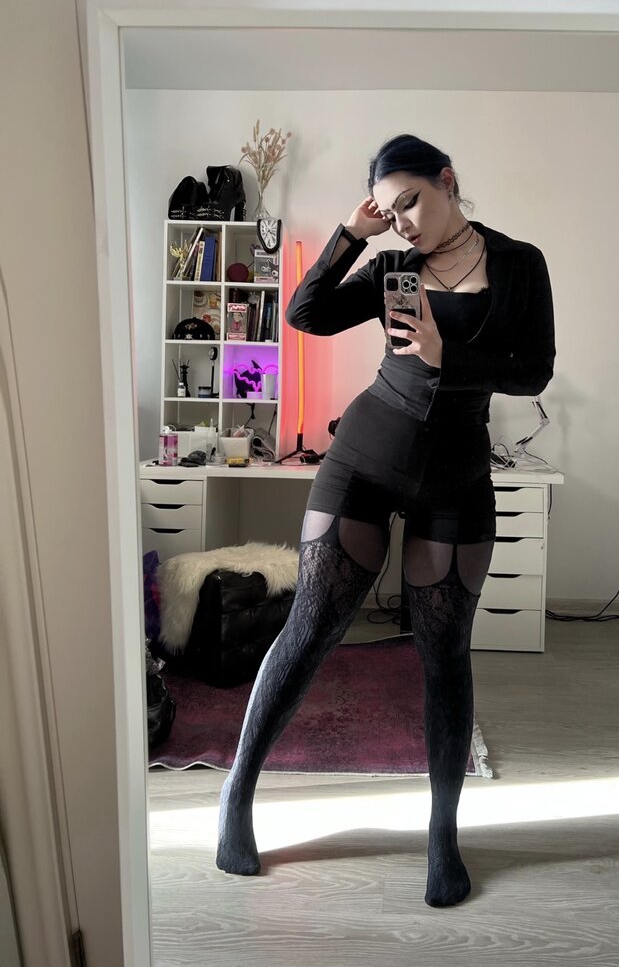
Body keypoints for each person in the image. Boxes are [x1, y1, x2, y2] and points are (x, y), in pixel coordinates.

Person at [216, 134, 556, 908]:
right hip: (365, 459)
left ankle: (442, 835)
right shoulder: (391, 267)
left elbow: (533, 369)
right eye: (388, 209)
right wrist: (349, 235)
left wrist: (448, 357)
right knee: (309, 628)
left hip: (456, 474)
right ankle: (237, 794)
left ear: (447, 181)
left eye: (410, 201)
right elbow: (305, 314)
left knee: (444, 654)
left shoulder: (518, 264)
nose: (402, 220)